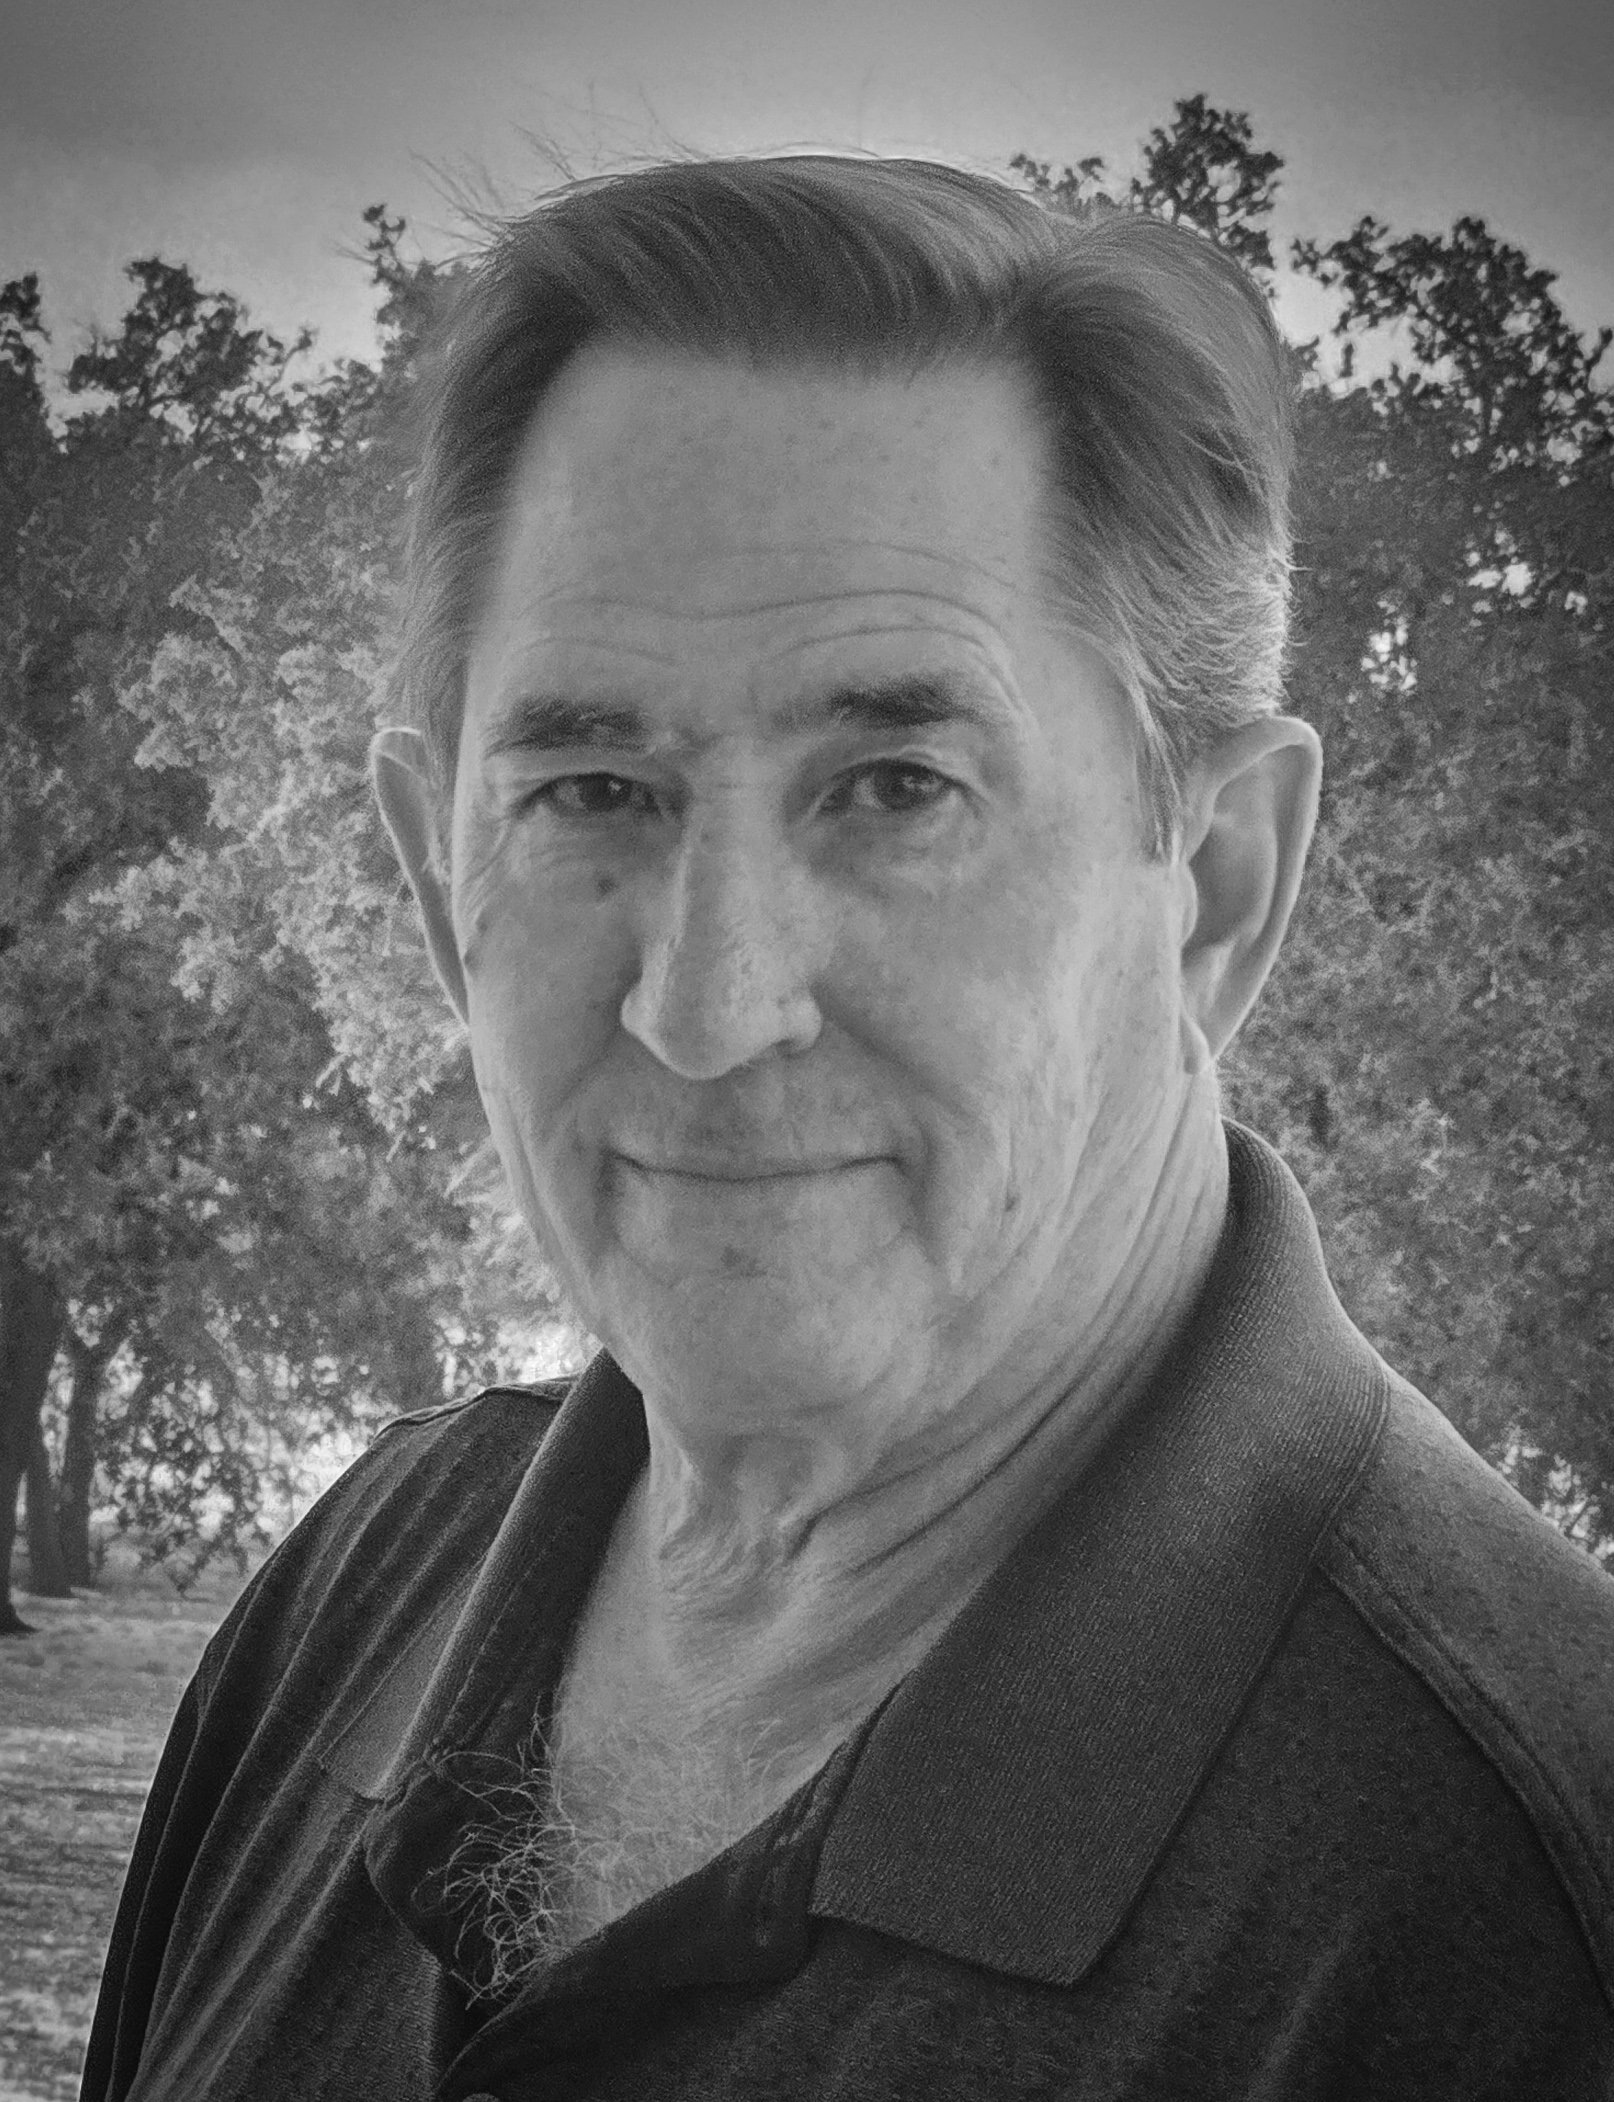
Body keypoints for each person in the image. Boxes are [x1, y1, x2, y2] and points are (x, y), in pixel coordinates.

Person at [82, 156, 1614, 2102]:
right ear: (432, 887)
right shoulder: (360, 1590)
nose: (709, 1007)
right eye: (589, 790)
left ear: (1217, 887)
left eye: (893, 785)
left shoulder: (1524, 1919)